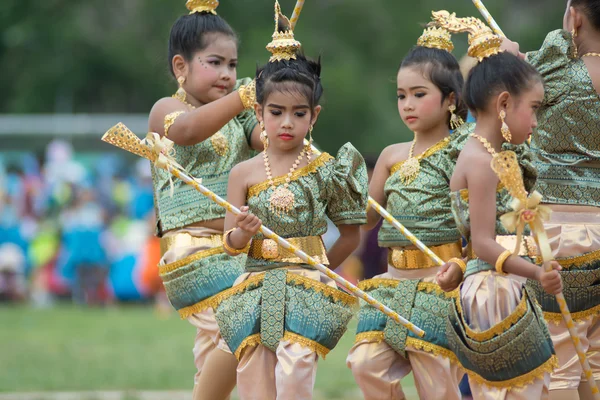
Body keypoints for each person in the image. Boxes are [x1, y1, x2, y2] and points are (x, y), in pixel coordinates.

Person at [212, 4, 368, 398]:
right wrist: (241, 235)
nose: (286, 123)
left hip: (307, 285)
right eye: (276, 112)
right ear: (259, 112)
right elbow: (229, 245)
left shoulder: (328, 168)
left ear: (314, 116)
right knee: (254, 379)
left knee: (297, 370)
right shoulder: (242, 173)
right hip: (255, 284)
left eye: (298, 114)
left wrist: (319, 271)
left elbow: (351, 234)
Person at [434, 11, 563, 399]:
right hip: (494, 290)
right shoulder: (480, 160)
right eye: (534, 108)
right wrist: (538, 274)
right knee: (511, 392)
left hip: (504, 283)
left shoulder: (493, 154)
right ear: (505, 103)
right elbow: (485, 244)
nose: (536, 122)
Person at [146, 0, 262, 397]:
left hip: (239, 247)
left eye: (233, 65)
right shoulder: (167, 109)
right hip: (193, 252)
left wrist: (284, 101)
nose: (228, 75)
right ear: (181, 67)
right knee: (252, 322)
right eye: (215, 63)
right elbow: (190, 131)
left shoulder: (242, 114)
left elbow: (274, 141)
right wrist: (246, 97)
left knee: (222, 351)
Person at [346, 26, 468, 400]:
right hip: (393, 280)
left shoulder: (464, 152)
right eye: (401, 96)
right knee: (365, 363)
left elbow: (480, 221)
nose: (408, 105)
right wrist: (344, 187)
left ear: (450, 100)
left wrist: (462, 266)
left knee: (436, 384)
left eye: (419, 94)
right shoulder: (391, 155)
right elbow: (366, 219)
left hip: (443, 282)